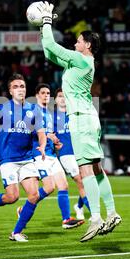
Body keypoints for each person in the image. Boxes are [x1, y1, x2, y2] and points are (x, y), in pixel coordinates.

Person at [38, 1, 122, 242]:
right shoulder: (81, 62)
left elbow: (52, 44)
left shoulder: (81, 59)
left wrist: (46, 22)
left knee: (85, 169)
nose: (75, 43)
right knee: (96, 169)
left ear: (87, 45)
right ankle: (112, 212)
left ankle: (95, 218)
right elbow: (48, 51)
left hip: (81, 119)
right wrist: (42, 27)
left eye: (78, 41)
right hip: (88, 118)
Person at [0, 73, 47, 242]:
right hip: (8, 158)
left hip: (26, 158)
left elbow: (41, 133)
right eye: (16, 87)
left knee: (34, 195)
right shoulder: (3, 108)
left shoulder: (34, 110)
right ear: (10, 91)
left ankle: (16, 232)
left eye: (23, 86)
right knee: (12, 197)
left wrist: (41, 145)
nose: (20, 89)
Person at [27, 83, 84, 229]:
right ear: (37, 95)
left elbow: (49, 134)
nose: (46, 95)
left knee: (63, 185)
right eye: (43, 93)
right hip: (39, 154)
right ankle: (25, 209)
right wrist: (47, 136)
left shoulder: (49, 114)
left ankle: (66, 220)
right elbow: (30, 131)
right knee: (49, 188)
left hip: (52, 153)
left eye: (48, 93)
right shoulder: (33, 111)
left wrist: (55, 142)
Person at [54, 88, 90, 220]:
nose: (63, 98)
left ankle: (79, 207)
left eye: (65, 96)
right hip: (65, 154)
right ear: (55, 99)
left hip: (79, 153)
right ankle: (94, 214)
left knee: (87, 181)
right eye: (59, 96)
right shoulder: (51, 117)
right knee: (80, 181)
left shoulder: (74, 115)